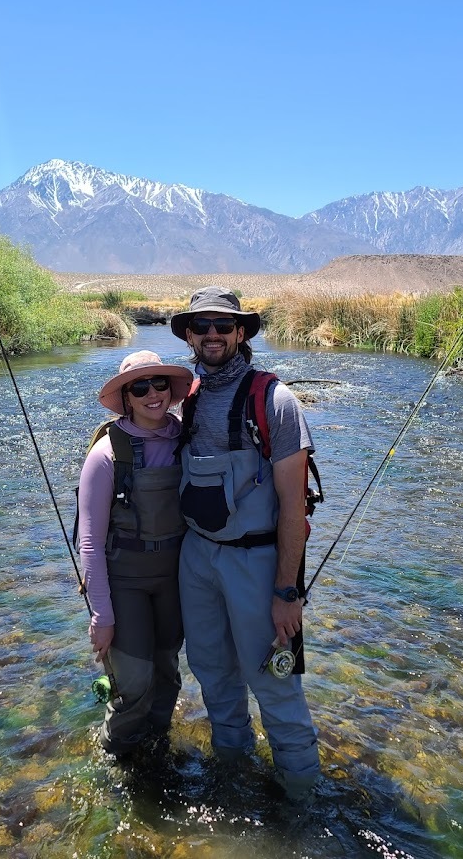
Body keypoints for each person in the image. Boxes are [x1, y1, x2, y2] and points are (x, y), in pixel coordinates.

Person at [169, 287, 320, 799]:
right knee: (213, 677)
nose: (212, 334)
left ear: (241, 333)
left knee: (276, 688)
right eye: (202, 325)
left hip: (257, 565)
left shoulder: (274, 401)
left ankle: (302, 807)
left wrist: (286, 592)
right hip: (197, 559)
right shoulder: (183, 397)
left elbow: (294, 510)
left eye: (223, 325)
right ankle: (232, 783)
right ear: (189, 335)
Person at [77, 350, 194, 756]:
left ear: (171, 390)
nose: (151, 393)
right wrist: (101, 616)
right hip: (125, 583)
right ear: (126, 397)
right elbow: (88, 543)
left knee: (168, 675)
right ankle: (118, 760)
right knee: (136, 683)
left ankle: (157, 751)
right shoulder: (105, 455)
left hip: (174, 582)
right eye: (139, 387)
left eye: (159, 383)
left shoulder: (186, 438)